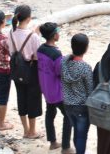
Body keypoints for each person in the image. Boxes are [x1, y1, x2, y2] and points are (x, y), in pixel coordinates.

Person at [9, 5, 44, 139]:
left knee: (21, 98)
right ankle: (32, 131)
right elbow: (37, 56)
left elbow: (11, 51)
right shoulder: (33, 36)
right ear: (29, 18)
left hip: (16, 70)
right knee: (33, 100)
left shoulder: (11, 32)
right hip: (30, 71)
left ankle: (25, 130)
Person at [37, 22, 72, 152]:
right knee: (68, 116)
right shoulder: (56, 55)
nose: (59, 33)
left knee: (50, 113)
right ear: (54, 35)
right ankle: (66, 146)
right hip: (58, 92)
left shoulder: (41, 49)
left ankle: (52, 142)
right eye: (57, 32)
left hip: (46, 89)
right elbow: (60, 72)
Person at [61, 33, 93, 154]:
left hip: (67, 104)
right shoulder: (85, 68)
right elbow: (90, 90)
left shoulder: (64, 63)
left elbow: (67, 56)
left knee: (76, 131)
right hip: (81, 106)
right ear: (86, 48)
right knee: (81, 135)